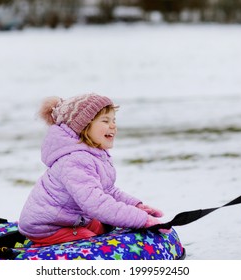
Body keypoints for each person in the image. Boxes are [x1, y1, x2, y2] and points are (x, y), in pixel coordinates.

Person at [18, 93, 169, 246]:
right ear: (84, 126)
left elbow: (107, 191)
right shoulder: (74, 160)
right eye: (105, 121)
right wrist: (142, 220)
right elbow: (96, 203)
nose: (113, 126)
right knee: (90, 239)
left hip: (70, 217)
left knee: (102, 227)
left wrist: (136, 206)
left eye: (113, 120)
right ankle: (38, 249)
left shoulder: (94, 155)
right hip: (47, 225)